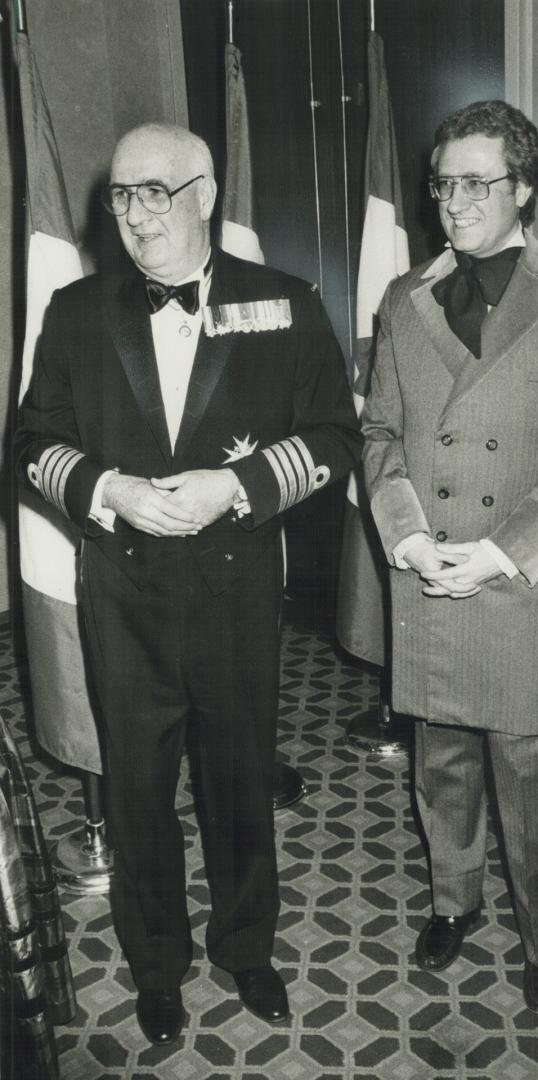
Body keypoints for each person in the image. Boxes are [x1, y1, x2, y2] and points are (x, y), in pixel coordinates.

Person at [15, 123, 361, 1046]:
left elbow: (335, 436)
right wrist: (106, 489)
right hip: (122, 598)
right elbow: (27, 443)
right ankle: (155, 961)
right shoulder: (77, 311)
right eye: (121, 196)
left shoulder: (283, 302)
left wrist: (238, 487)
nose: (135, 215)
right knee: (137, 787)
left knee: (240, 778)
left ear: (206, 193)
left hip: (238, 591)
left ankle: (248, 946)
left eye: (155, 191)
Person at [362, 100, 538, 1014]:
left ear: (525, 189)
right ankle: (453, 901)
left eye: (476, 183)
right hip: (428, 563)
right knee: (441, 758)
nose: (453, 202)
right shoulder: (404, 297)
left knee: (527, 766)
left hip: (520, 575)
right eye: (443, 183)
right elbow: (380, 433)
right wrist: (407, 535)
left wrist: (502, 555)